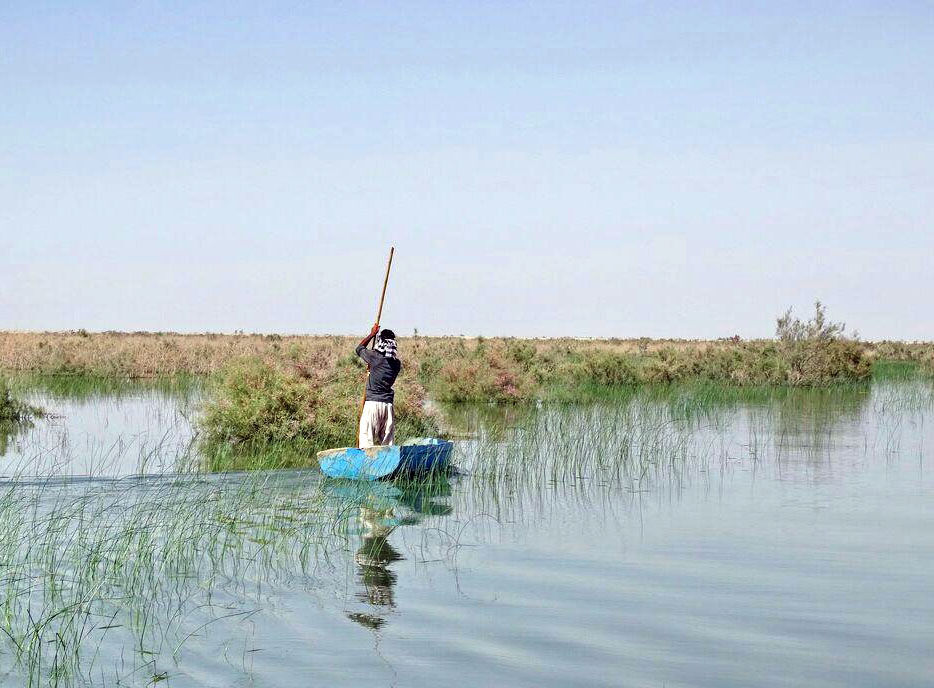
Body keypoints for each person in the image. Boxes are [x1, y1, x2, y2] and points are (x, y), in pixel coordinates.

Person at [355, 324, 401, 448]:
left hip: (372, 405)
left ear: (381, 342)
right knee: (387, 444)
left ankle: (367, 464)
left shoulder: (375, 357)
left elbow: (359, 348)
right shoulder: (397, 364)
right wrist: (373, 367)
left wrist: (372, 334)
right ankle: (388, 465)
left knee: (366, 440)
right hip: (387, 406)